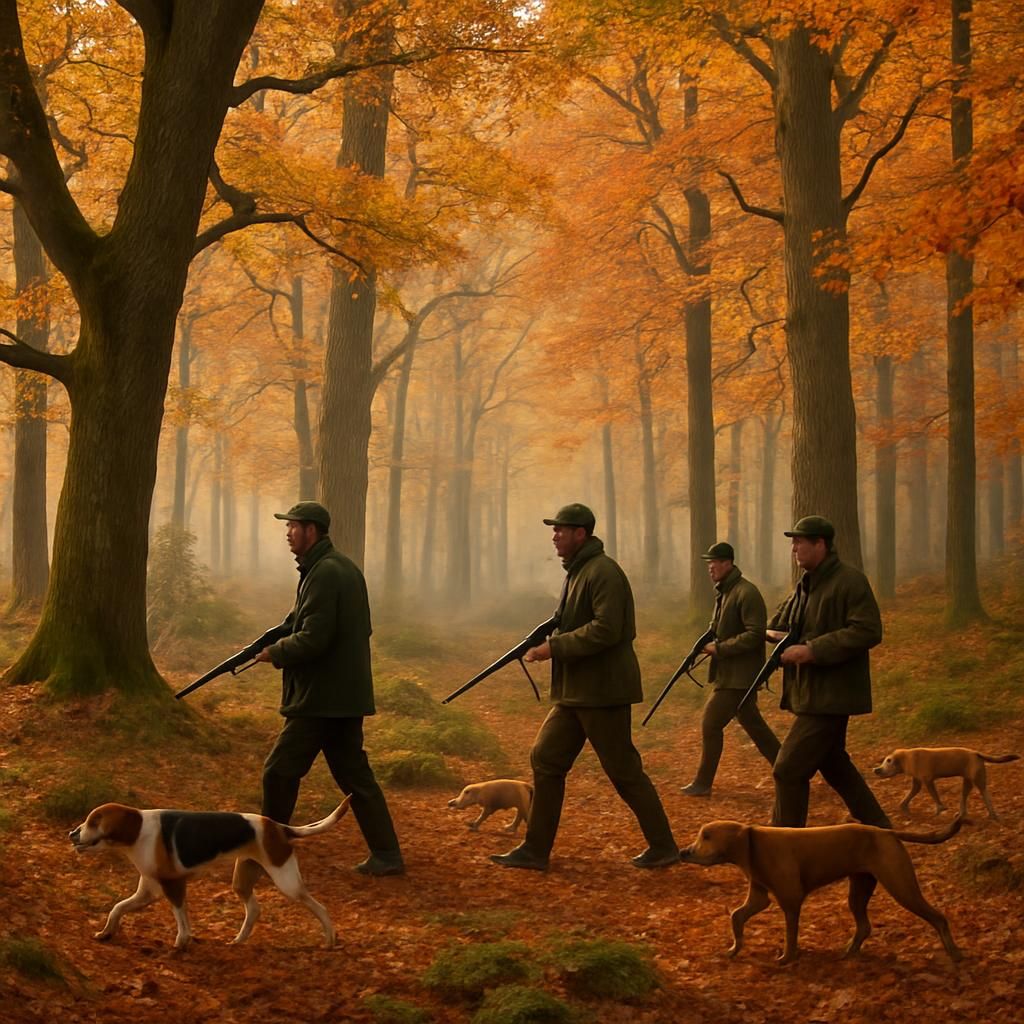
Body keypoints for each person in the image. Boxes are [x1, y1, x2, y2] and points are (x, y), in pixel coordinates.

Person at [490, 503, 678, 871]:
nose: (554, 536)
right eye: (554, 529)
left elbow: (607, 629)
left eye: (561, 530)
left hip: (603, 691)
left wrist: (554, 648)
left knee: (623, 771)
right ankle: (535, 850)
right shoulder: (579, 571)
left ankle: (664, 846)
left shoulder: (603, 572)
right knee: (546, 758)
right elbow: (572, 621)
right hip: (577, 692)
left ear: (581, 533)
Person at [250, 500, 405, 876]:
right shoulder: (332, 568)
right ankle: (387, 854)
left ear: (312, 531)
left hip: (322, 698)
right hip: (340, 696)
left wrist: (275, 653)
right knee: (355, 777)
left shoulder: (326, 573)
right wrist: (274, 639)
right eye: (287, 526)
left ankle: (271, 851)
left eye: (294, 526)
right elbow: (304, 624)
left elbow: (314, 637)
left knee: (279, 772)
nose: (288, 533)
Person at [767, 515, 891, 829]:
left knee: (788, 769)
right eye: (793, 542)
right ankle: (880, 830)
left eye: (799, 541)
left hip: (832, 695)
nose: (794, 548)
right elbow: (783, 625)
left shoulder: (850, 581)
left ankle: (784, 845)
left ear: (820, 544)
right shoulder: (806, 584)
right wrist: (769, 635)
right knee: (834, 764)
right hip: (813, 692)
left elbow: (867, 630)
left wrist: (812, 650)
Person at [680, 542, 781, 798]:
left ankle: (703, 783)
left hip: (740, 676)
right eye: (708, 563)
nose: (710, 568)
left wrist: (720, 649)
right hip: (731, 674)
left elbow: (755, 635)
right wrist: (704, 644)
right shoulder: (726, 591)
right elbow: (718, 627)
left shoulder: (746, 593)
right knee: (754, 725)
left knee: (710, 724)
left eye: (713, 563)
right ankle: (789, 768)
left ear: (727, 563)